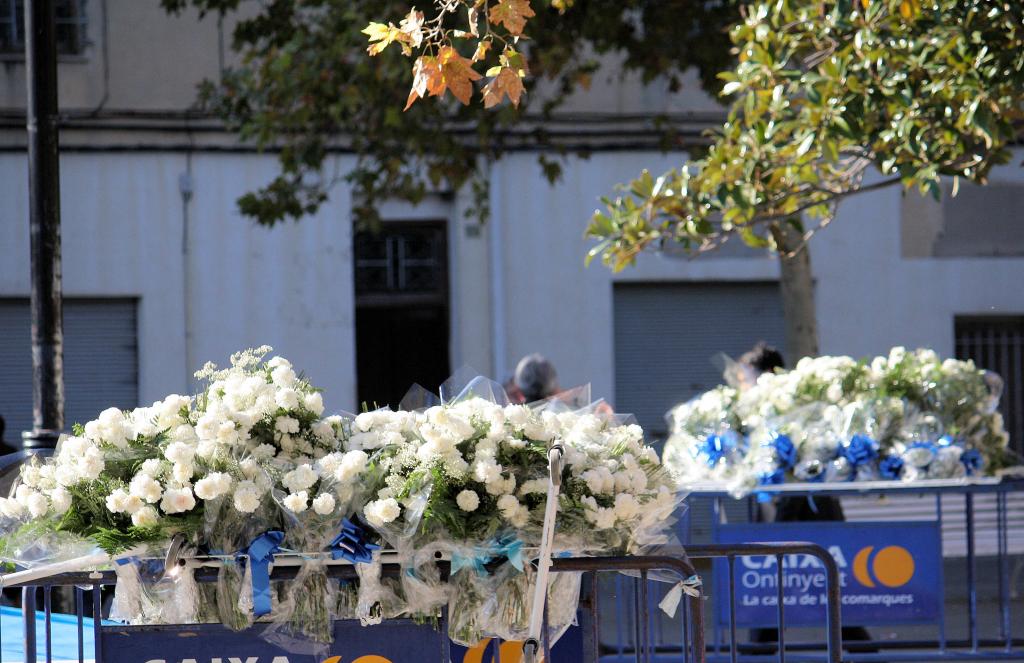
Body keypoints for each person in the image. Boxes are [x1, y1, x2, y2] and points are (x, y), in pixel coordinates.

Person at [739, 343, 877, 655]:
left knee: (824, 585)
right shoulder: (764, 409)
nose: (742, 384)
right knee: (772, 589)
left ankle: (864, 649)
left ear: (763, 375)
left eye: (745, 377)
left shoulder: (791, 408)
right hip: (788, 509)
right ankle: (760, 647)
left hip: (807, 510)